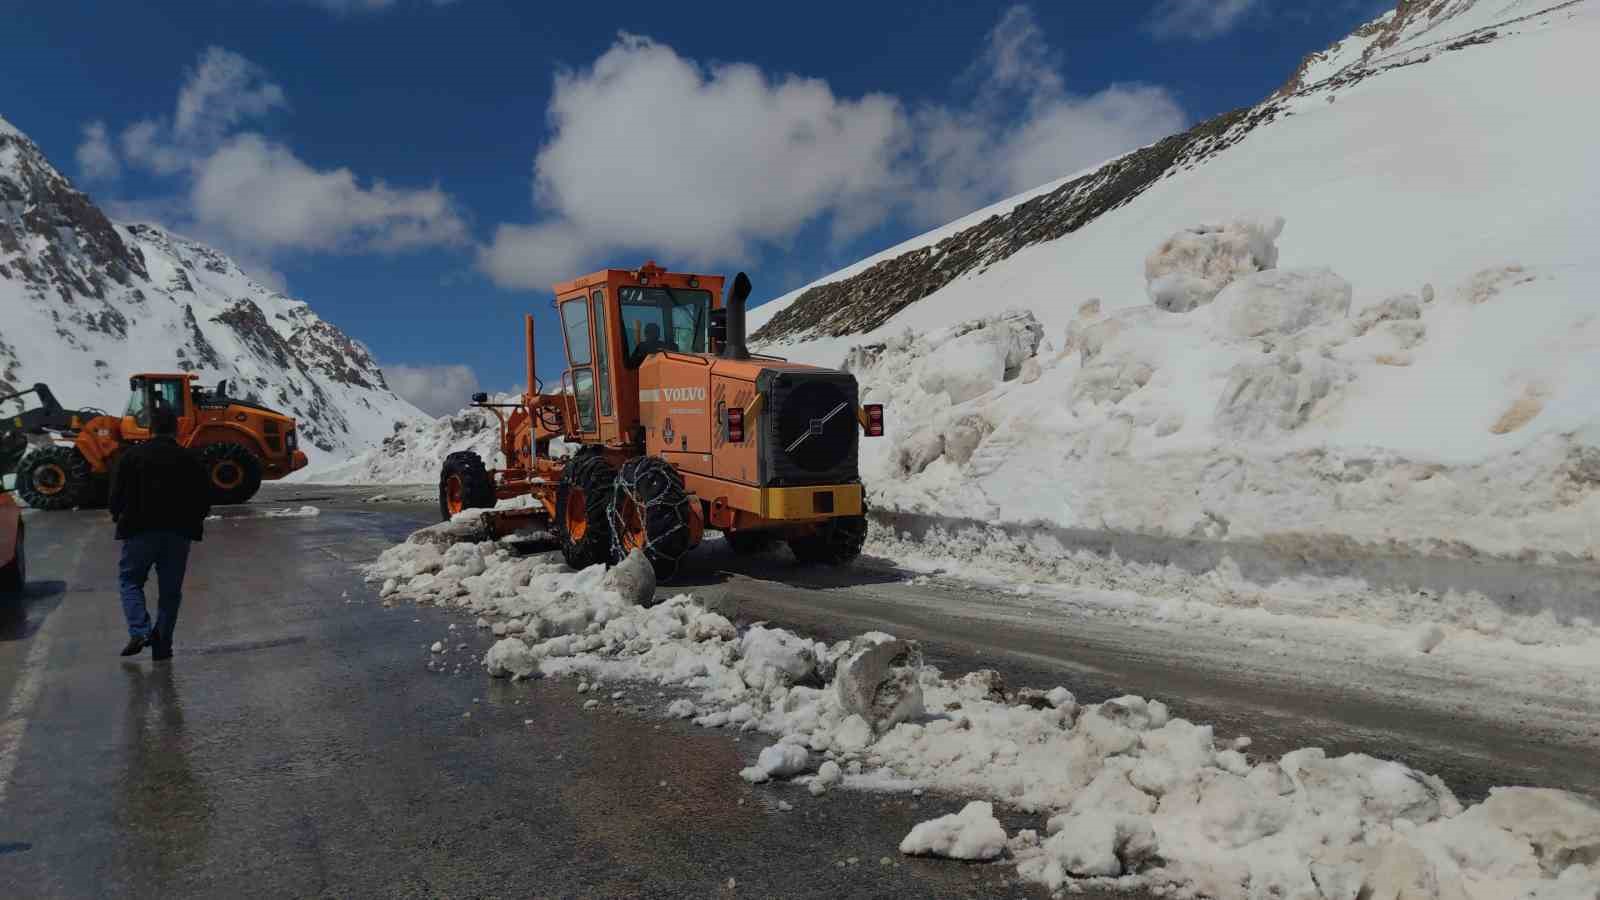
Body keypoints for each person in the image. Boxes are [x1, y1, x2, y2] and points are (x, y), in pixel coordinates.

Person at [109, 407, 211, 660]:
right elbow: (204, 498)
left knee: (130, 581)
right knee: (170, 592)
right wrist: (193, 522)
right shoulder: (189, 459)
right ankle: (162, 646)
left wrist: (118, 517)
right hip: (178, 534)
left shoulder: (131, 457)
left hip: (138, 532)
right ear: (175, 430)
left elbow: (116, 496)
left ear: (150, 429)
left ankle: (140, 630)